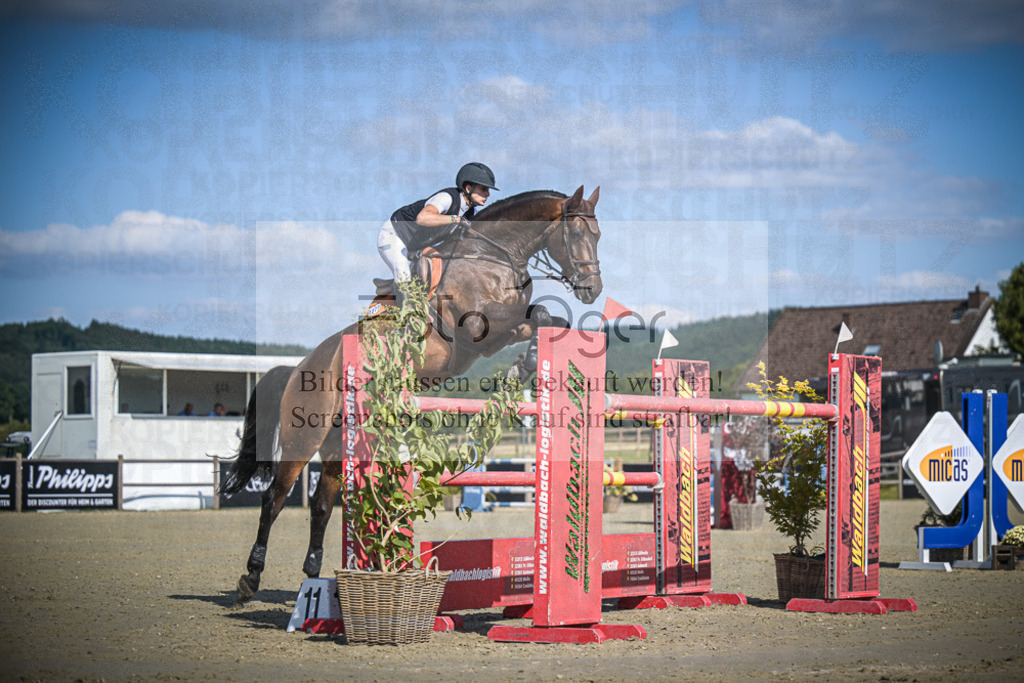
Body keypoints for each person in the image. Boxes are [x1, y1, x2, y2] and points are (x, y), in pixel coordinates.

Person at [377, 163, 499, 283]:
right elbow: (423, 218)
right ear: (468, 188)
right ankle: (404, 303)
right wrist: (454, 219)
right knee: (403, 274)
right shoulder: (447, 198)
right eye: (483, 189)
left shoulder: (470, 213)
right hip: (395, 236)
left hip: (416, 247)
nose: (488, 194)